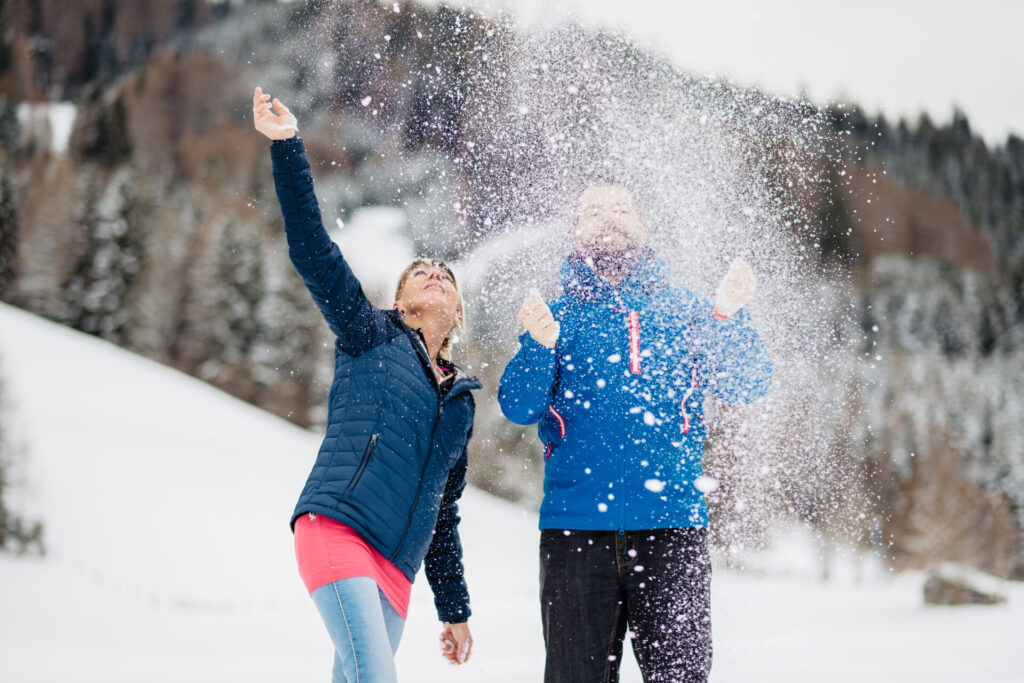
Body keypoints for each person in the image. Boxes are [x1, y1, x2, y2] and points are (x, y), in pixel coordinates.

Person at [498, 182, 772, 682]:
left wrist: (729, 317)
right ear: (576, 233)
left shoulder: (689, 311)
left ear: (643, 229)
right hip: (575, 533)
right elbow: (516, 406)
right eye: (594, 211)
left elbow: (748, 383)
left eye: (621, 209)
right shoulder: (555, 317)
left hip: (671, 531)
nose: (608, 218)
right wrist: (538, 347)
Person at [253, 87, 478, 682]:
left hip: (396, 570)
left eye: (444, 275)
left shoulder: (458, 402)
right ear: (402, 301)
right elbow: (314, 252)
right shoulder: (368, 333)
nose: (433, 274)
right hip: (339, 528)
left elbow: (443, 512)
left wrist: (454, 611)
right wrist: (287, 148)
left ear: (457, 311)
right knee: (373, 675)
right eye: (420, 273)